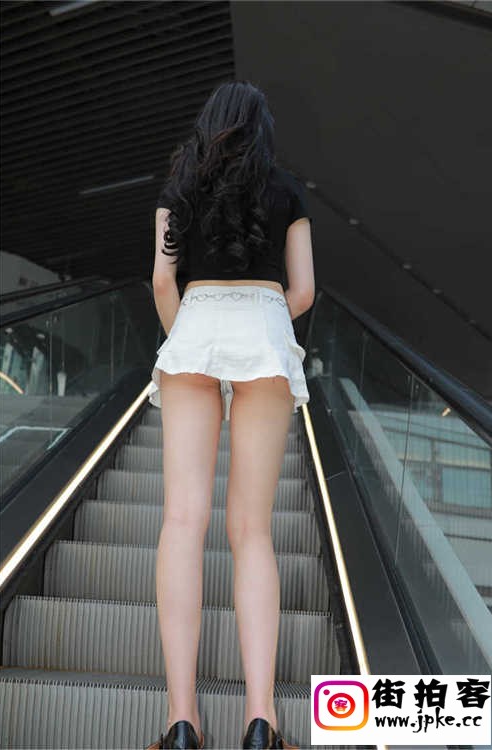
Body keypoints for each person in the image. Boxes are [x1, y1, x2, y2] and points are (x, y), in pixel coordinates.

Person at [146, 79, 314, 750]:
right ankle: (260, 720)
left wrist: (190, 339)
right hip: (265, 337)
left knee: (183, 520)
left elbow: (163, 280)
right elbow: (303, 291)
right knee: (252, 530)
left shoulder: (179, 189)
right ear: (262, 130)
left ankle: (181, 721)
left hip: (195, 326)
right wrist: (261, 325)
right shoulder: (288, 192)